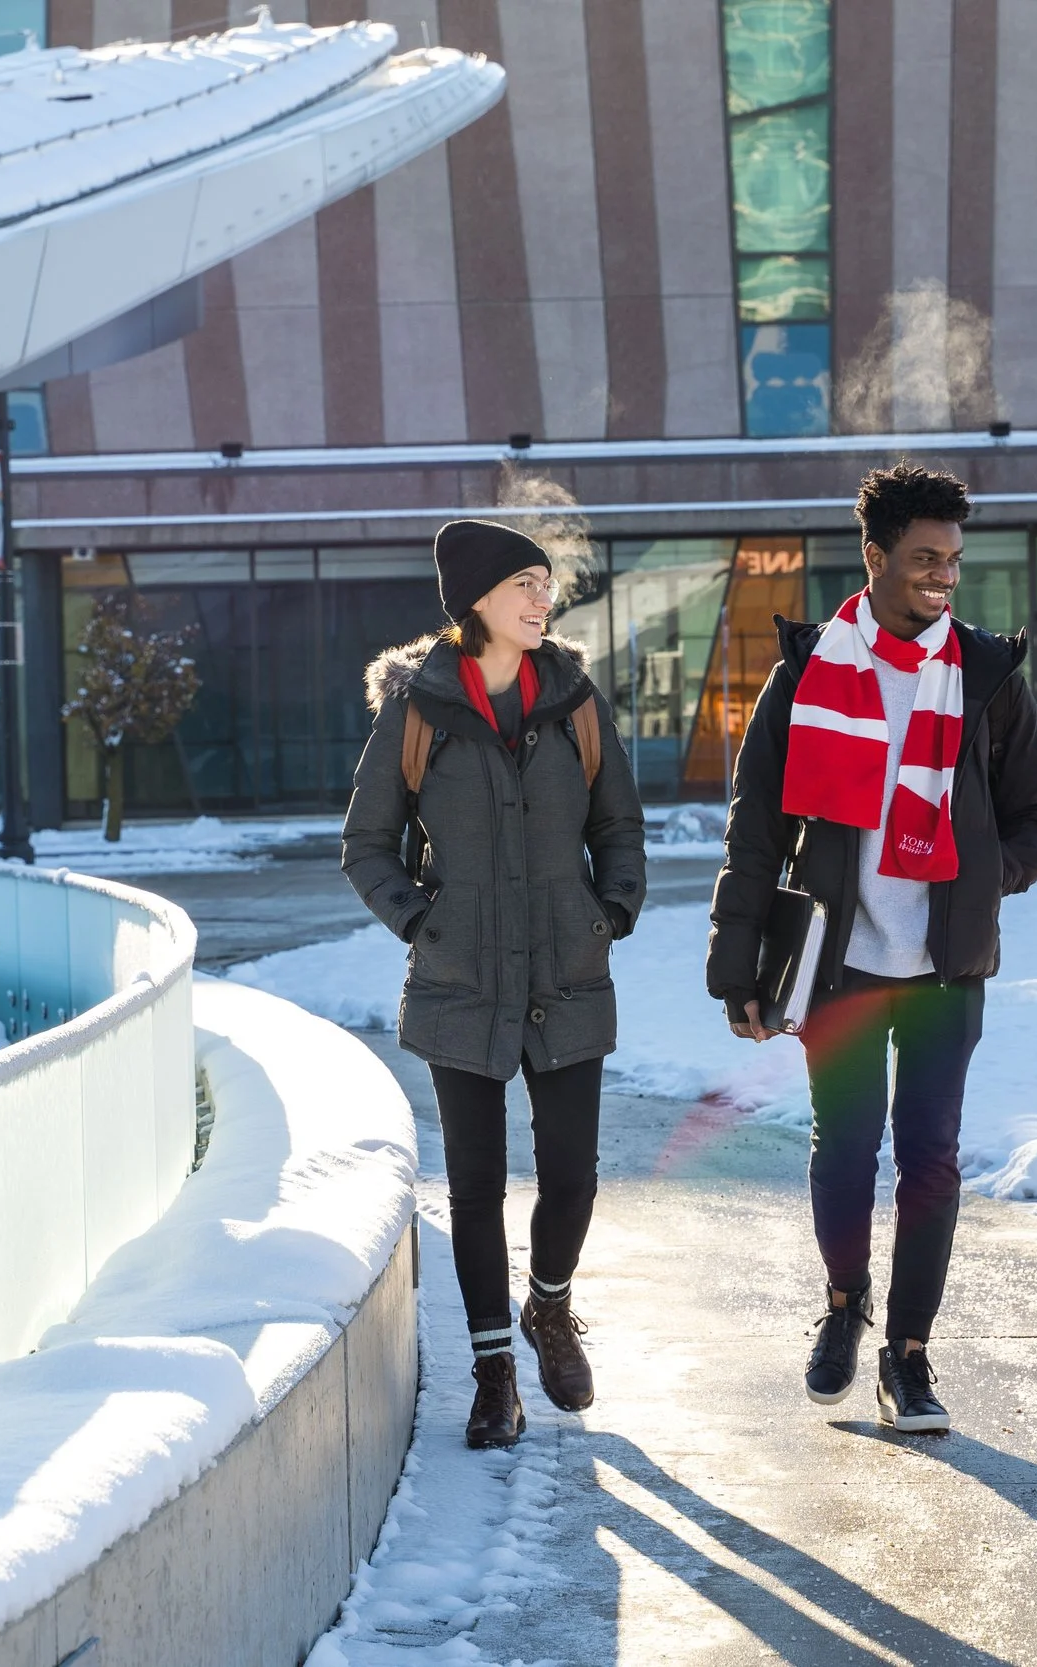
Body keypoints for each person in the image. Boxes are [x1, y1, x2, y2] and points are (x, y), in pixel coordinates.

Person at [707, 464, 1037, 1433]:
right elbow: (755, 829)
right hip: (840, 958)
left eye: (952, 559)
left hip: (946, 966)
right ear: (874, 557)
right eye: (922, 559)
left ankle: (908, 1351)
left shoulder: (986, 676)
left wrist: (986, 875)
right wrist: (735, 965)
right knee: (845, 1152)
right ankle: (841, 1304)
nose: (943, 577)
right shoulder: (808, 670)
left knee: (931, 1162)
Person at [343, 519, 647, 1450]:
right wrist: (422, 920)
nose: (540, 598)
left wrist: (609, 912)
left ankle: (548, 1308)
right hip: (460, 977)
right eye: (522, 582)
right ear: (474, 599)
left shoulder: (576, 700)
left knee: (572, 1176)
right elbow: (366, 845)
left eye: (545, 583)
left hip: (566, 969)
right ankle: (493, 1373)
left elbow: (621, 828)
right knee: (474, 1188)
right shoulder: (421, 712)